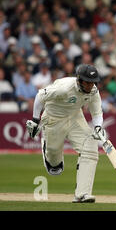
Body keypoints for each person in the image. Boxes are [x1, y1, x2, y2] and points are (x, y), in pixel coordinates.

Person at [25, 64, 106, 203]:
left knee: (91, 147)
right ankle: (47, 147)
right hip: (53, 118)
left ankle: (82, 194)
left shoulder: (93, 91)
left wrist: (98, 127)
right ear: (79, 80)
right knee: (54, 165)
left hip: (75, 117)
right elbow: (40, 96)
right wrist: (35, 120)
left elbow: (97, 112)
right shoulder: (64, 88)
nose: (90, 86)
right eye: (87, 82)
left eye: (93, 82)